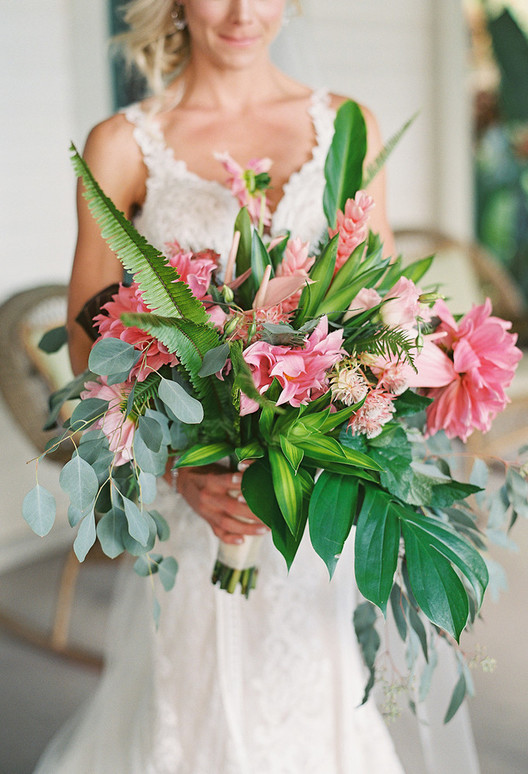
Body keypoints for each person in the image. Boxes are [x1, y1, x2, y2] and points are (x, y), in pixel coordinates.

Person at [34, 2, 475, 772]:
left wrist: (358, 414)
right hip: (197, 495)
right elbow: (90, 354)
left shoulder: (349, 127)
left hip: (312, 488)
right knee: (200, 702)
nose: (243, 13)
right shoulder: (120, 145)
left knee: (319, 688)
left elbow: (383, 314)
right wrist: (179, 470)